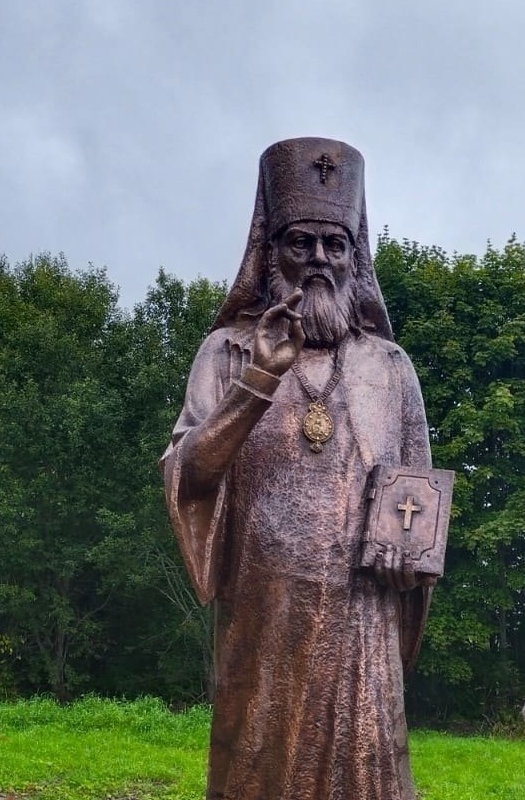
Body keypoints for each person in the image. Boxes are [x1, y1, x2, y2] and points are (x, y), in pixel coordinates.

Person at [161, 137, 435, 800]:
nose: (318, 259)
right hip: (265, 612)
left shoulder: (391, 368)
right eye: (300, 242)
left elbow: (418, 504)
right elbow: (188, 475)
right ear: (269, 251)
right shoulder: (227, 351)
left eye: (335, 245)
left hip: (362, 618)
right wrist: (258, 380)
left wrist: (411, 560)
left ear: (355, 258)